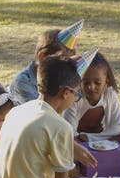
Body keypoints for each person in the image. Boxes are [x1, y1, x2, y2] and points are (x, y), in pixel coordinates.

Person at [9, 20, 98, 169]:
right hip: (24, 146)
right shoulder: (22, 82)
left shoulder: (62, 84)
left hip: (46, 138)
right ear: (43, 57)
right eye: (63, 60)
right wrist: (73, 147)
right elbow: (40, 120)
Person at [63, 52, 120, 149]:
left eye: (97, 83)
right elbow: (70, 132)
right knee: (67, 142)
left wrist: (89, 137)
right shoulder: (74, 97)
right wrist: (81, 139)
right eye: (86, 82)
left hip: (102, 139)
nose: (91, 87)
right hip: (79, 141)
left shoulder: (110, 94)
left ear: (106, 82)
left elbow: (117, 128)